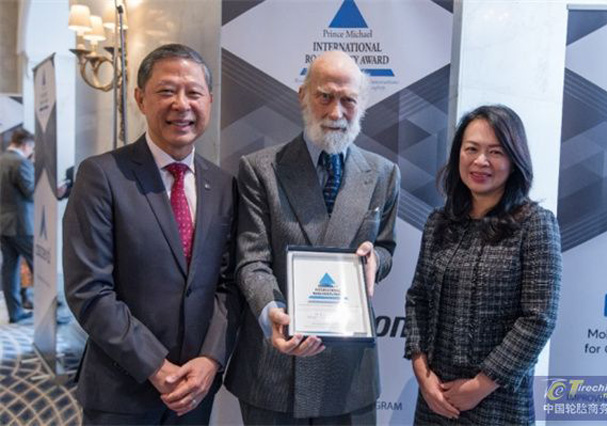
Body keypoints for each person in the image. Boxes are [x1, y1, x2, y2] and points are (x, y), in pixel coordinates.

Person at [63, 44, 240, 425]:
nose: (182, 104)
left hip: (196, 391)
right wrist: (156, 367)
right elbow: (89, 290)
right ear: (140, 99)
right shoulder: (102, 176)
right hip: (121, 392)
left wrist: (211, 359)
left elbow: (229, 285)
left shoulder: (224, 185)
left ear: (209, 101)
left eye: (194, 93)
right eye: (166, 91)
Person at [224, 50, 400, 424]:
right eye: (325, 96)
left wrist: (374, 261)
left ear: (362, 104)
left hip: (349, 374)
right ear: (303, 95)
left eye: (348, 99)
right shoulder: (260, 169)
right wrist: (272, 312)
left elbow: (386, 248)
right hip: (275, 367)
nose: (336, 112)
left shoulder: (384, 174)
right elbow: (252, 260)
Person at [404, 105, 562, 425]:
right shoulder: (439, 222)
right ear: (458, 155)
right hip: (436, 400)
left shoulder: (535, 224)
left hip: (500, 403)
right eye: (471, 149)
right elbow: (418, 298)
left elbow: (538, 318)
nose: (480, 161)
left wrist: (481, 385)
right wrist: (422, 374)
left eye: (495, 152)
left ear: (514, 160)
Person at [0, 129, 35, 323]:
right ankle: (52, 311)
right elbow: (30, 192)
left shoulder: (2, 159)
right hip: (21, 225)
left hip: (3, 224)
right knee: (40, 264)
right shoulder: (21, 162)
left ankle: (15, 312)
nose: (31, 152)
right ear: (25, 145)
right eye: (31, 148)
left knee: (10, 268)